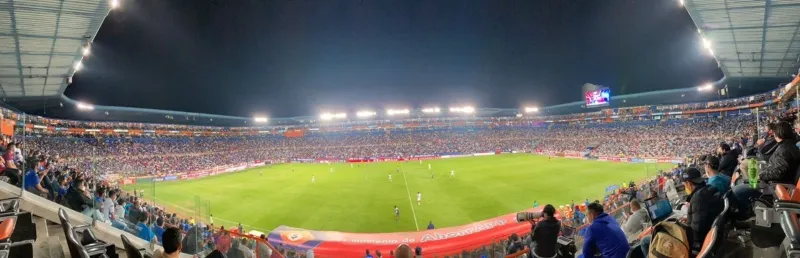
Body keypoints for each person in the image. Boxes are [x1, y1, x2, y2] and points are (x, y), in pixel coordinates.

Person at [735, 121, 800, 216]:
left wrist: (760, 176)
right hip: (775, 183)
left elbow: (779, 172)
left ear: (779, 133)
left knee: (737, 190)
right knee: (742, 184)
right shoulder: (789, 145)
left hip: (774, 187)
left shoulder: (784, 149)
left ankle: (745, 216)